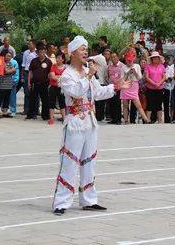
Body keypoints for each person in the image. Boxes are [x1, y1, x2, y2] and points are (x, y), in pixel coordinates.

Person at [52, 36, 126, 216]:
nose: (86, 52)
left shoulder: (87, 71)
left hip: (90, 122)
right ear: (72, 53)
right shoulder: (67, 75)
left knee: (89, 162)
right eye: (82, 49)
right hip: (75, 123)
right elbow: (76, 92)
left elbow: (98, 93)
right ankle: (61, 202)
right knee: (69, 162)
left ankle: (89, 199)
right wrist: (89, 75)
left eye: (86, 49)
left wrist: (116, 87)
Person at [121, 51, 149, 124]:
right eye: (128, 60)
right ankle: (126, 120)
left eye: (130, 60)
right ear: (126, 60)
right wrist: (128, 73)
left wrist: (135, 72)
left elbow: (140, 78)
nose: (129, 62)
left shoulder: (137, 66)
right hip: (125, 86)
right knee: (125, 105)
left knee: (138, 105)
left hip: (134, 86)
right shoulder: (123, 67)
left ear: (133, 59)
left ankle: (146, 119)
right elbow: (122, 79)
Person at [26, 44, 52, 120]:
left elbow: (50, 73)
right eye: (40, 52)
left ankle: (45, 115)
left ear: (45, 52)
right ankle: (30, 114)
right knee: (32, 99)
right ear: (37, 52)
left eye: (43, 52)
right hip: (34, 83)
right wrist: (28, 82)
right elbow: (30, 72)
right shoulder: (34, 61)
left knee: (45, 100)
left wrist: (50, 83)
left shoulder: (48, 62)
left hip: (45, 83)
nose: (41, 54)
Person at [144, 51, 166, 123]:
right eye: (154, 58)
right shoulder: (148, 66)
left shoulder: (162, 66)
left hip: (160, 88)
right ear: (152, 59)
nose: (155, 59)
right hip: (150, 88)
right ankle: (148, 120)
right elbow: (147, 77)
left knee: (159, 104)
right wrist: (154, 83)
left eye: (157, 58)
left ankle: (160, 120)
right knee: (149, 104)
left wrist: (159, 83)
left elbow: (164, 77)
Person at [0, 50, 16, 118]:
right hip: (2, 83)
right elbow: (6, 71)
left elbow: (14, 72)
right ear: (4, 56)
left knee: (7, 98)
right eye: (8, 56)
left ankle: (5, 111)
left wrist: (11, 70)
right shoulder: (1, 63)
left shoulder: (10, 63)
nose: (10, 57)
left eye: (10, 56)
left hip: (9, 83)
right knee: (0, 98)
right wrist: (11, 70)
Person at [48, 53, 66, 125]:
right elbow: (52, 77)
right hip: (53, 87)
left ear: (63, 59)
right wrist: (60, 77)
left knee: (62, 102)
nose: (57, 59)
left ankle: (64, 118)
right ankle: (51, 118)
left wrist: (58, 76)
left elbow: (66, 78)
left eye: (59, 58)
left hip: (62, 87)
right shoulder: (53, 66)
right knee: (51, 102)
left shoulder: (66, 68)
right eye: (56, 58)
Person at [107, 52, 123, 125]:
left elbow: (123, 76)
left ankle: (118, 119)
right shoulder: (109, 66)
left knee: (117, 103)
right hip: (111, 87)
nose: (113, 58)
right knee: (111, 103)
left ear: (117, 57)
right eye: (112, 57)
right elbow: (108, 75)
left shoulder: (121, 66)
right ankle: (113, 118)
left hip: (118, 87)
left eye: (114, 57)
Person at [22, 40, 37, 115]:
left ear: (34, 45)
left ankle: (36, 110)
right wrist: (22, 76)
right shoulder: (26, 52)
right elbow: (23, 65)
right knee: (27, 92)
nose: (28, 46)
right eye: (28, 44)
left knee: (36, 93)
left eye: (30, 44)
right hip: (27, 72)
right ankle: (26, 109)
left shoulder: (38, 53)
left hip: (35, 73)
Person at [163, 56, 174, 123]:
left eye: (168, 60)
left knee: (170, 104)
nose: (166, 61)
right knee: (163, 104)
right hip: (163, 87)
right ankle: (165, 118)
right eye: (165, 59)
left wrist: (171, 78)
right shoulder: (162, 67)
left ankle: (169, 118)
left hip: (170, 87)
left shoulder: (171, 67)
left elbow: (174, 75)